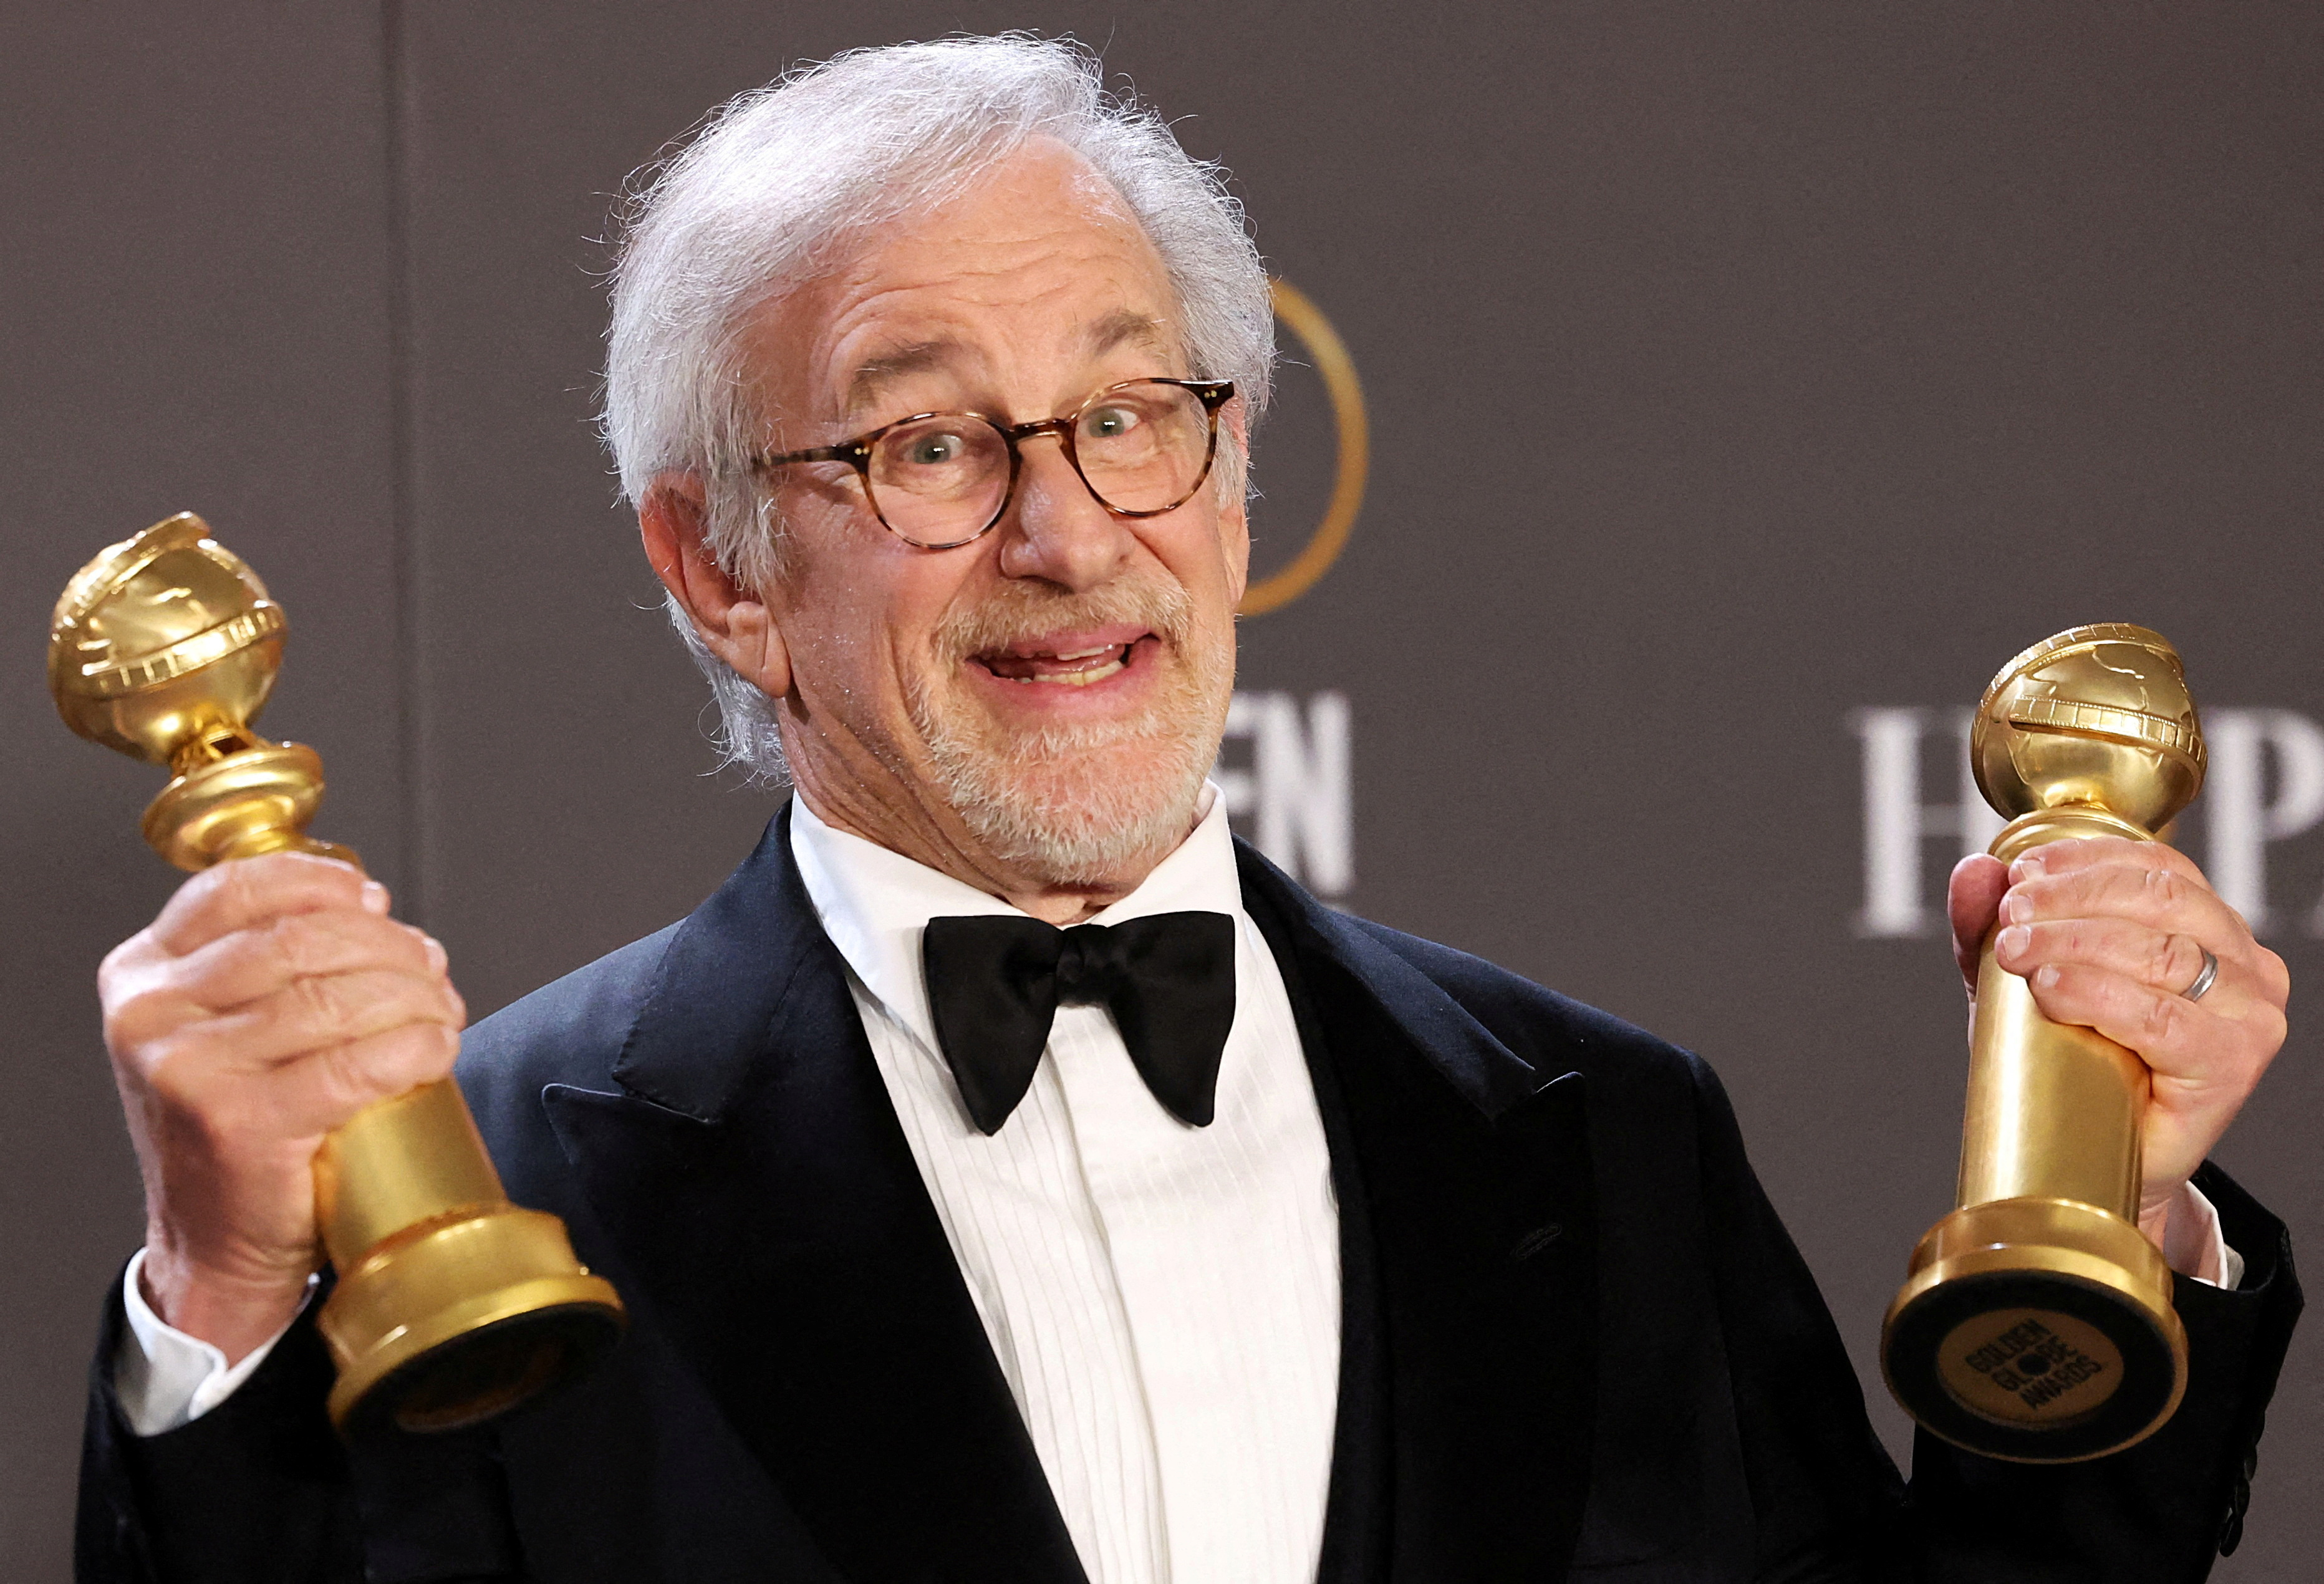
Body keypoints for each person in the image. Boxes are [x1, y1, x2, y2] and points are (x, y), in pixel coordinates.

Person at [75, 36, 2297, 1584]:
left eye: (1136, 415)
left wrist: (2131, 1212)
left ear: (1238, 482)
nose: (1068, 535)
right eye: (929, 447)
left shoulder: (1607, 1133)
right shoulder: (492, 1182)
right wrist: (231, 1294)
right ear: (722, 568)